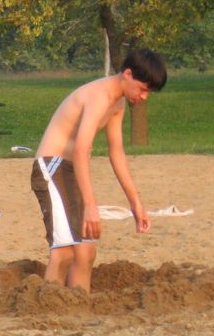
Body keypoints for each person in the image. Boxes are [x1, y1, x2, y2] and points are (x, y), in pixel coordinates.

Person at [31, 48, 167, 293]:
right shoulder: (99, 96)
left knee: (86, 251)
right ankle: (47, 309)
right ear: (127, 74)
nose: (145, 96)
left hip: (71, 170)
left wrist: (135, 203)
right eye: (143, 88)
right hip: (51, 167)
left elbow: (117, 153)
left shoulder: (118, 103)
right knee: (64, 252)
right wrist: (91, 206)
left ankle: (78, 306)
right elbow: (83, 149)